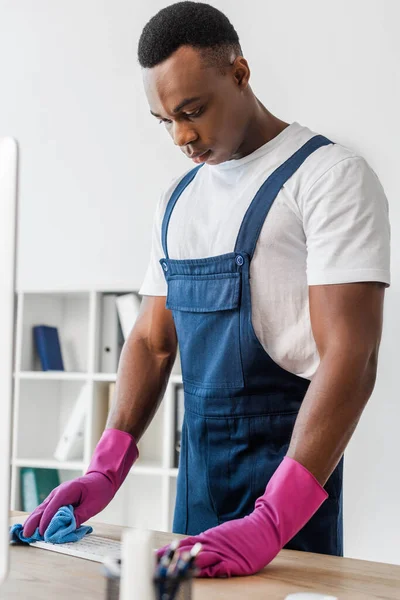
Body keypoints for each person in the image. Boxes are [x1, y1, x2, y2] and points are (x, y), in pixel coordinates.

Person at [23, 1, 390, 578]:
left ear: (240, 74)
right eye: (164, 120)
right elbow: (152, 341)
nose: (181, 135)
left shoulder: (328, 178)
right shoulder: (179, 199)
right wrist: (105, 469)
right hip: (194, 490)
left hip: (289, 501)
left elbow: (353, 357)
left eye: (193, 111)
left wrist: (272, 519)